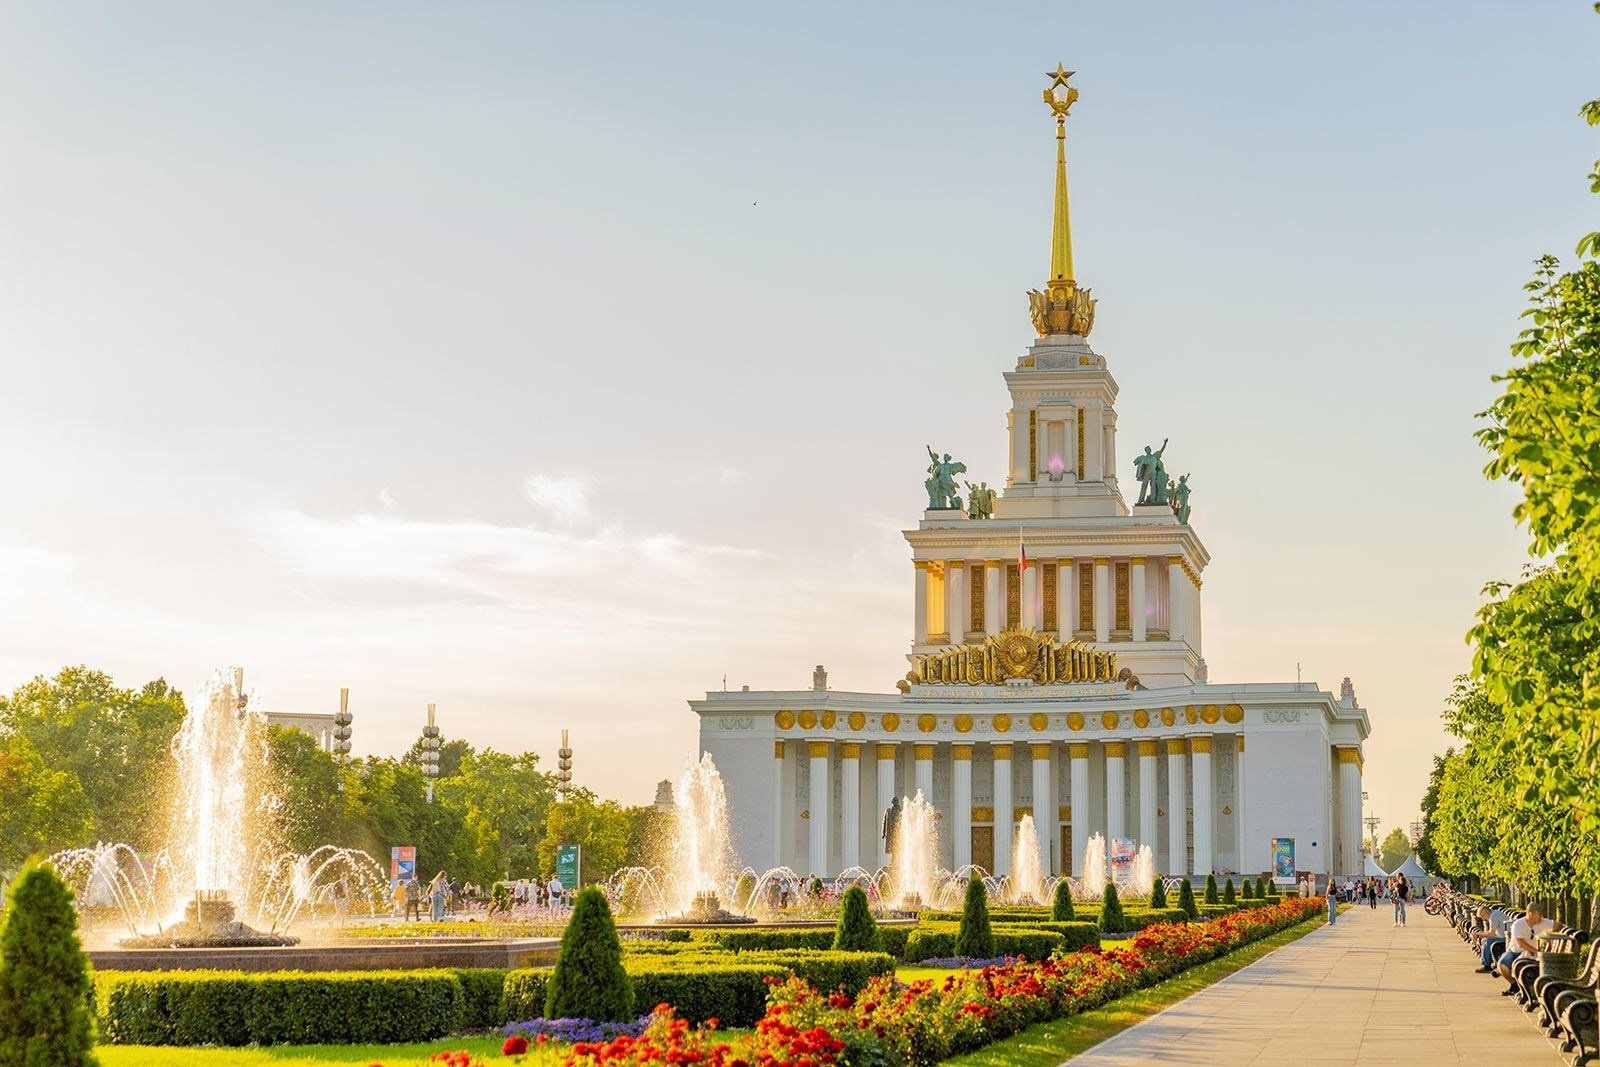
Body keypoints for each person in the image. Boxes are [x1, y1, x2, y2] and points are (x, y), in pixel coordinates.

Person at [1497, 902, 1553, 993]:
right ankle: (1514, 984)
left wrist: (1550, 938)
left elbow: (1558, 925)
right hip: (1514, 952)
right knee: (1502, 965)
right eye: (1538, 914)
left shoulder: (1542, 922)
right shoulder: (1518, 924)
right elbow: (1520, 943)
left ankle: (1523, 988)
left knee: (1522, 964)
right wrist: (1537, 951)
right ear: (1531, 914)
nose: (1540, 916)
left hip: (1531, 953)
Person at [1473, 903, 1510, 973]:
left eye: (1482, 916)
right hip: (1505, 936)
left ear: (1486, 912)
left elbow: (1491, 933)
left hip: (1506, 938)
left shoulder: (1493, 916)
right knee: (1487, 940)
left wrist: (1478, 935)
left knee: (1489, 940)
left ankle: (1486, 965)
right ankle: (1490, 961)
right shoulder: (1494, 913)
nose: (1483, 919)